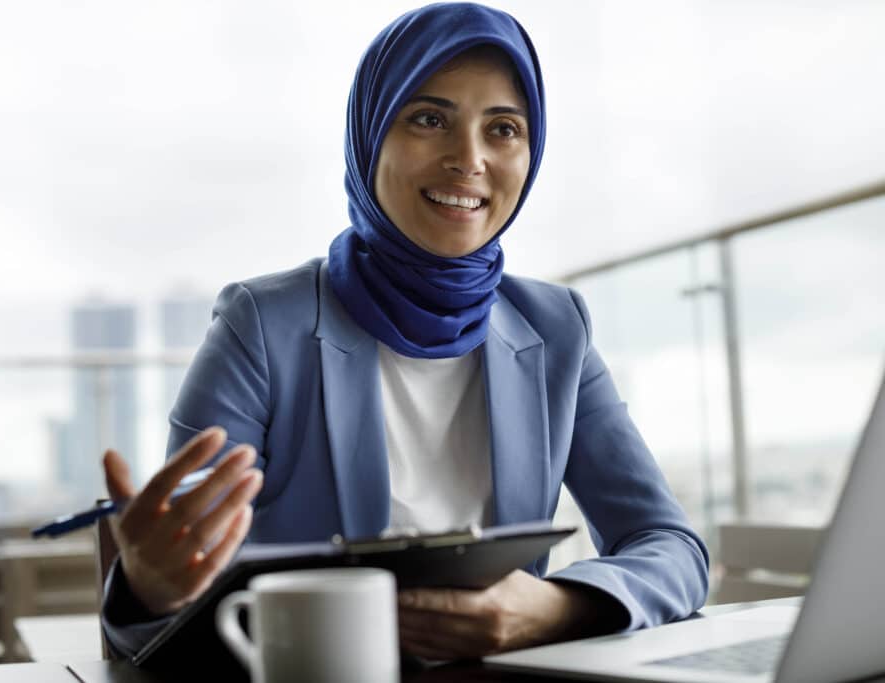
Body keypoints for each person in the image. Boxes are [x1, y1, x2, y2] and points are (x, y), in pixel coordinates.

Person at [100, 1, 709, 665]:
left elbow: (671, 545)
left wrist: (551, 607)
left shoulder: (556, 328)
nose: (469, 159)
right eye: (428, 119)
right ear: (369, 137)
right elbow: (175, 592)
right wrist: (149, 588)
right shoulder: (260, 325)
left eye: (503, 128)